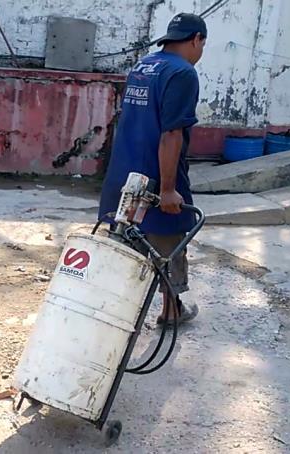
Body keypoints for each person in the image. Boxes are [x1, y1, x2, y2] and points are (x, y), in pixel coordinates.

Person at [98, 12, 207, 326]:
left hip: (124, 171)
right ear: (197, 39)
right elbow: (171, 132)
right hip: (156, 175)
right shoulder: (183, 73)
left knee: (125, 243)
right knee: (166, 244)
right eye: (201, 45)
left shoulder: (144, 65)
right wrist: (168, 188)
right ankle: (170, 310)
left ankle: (114, 311)